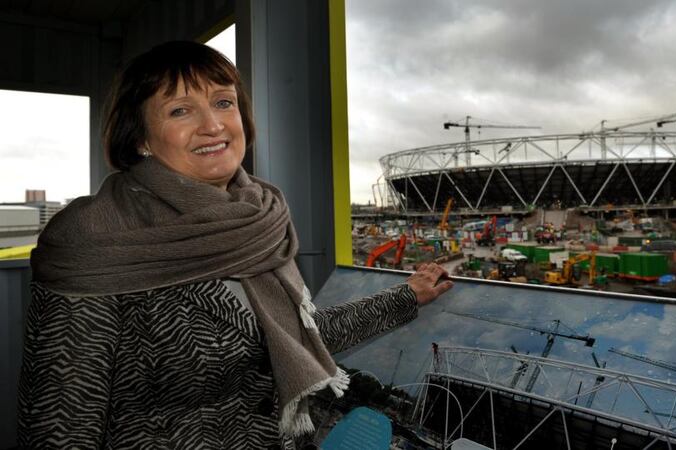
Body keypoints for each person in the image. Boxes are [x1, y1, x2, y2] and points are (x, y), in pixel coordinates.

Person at [18, 41, 453, 449]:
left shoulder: (260, 219)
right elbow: (61, 424)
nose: (213, 125)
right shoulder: (95, 238)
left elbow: (300, 336)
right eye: (180, 110)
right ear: (141, 138)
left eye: (224, 102)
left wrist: (407, 296)